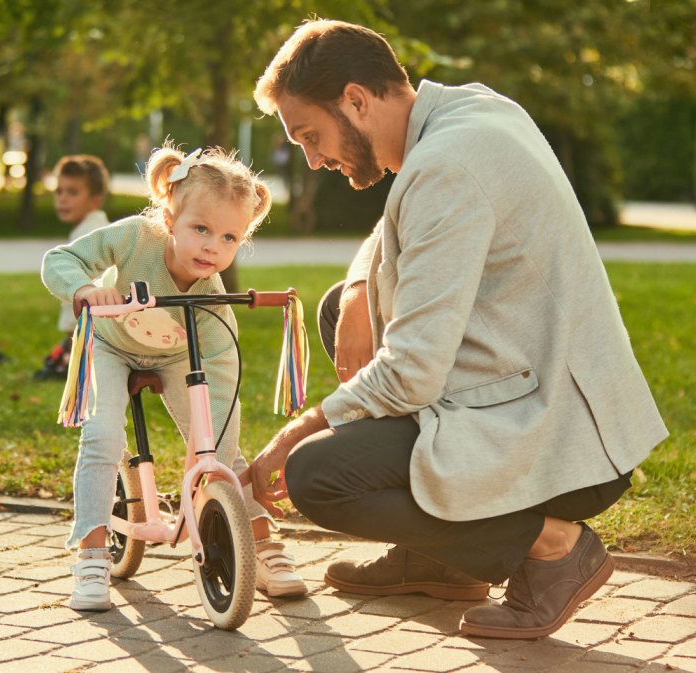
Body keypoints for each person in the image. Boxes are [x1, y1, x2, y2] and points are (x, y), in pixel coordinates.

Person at [242, 20, 668, 640]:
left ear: (356, 100)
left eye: (311, 135)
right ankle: (437, 558)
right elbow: (399, 228)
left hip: (559, 436)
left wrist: (299, 429)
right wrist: (361, 289)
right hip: (544, 385)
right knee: (340, 308)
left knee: (318, 475)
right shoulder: (470, 110)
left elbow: (411, 373)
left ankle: (552, 549)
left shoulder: (444, 170)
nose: (312, 159)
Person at [41, 143, 308, 611]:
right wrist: (85, 290)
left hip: (174, 353)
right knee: (102, 434)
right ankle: (91, 553)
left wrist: (214, 455)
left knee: (222, 451)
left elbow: (222, 365)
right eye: (200, 229)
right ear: (169, 220)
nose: (212, 246)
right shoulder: (133, 238)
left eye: (229, 238)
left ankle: (261, 546)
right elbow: (60, 260)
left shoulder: (211, 297)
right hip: (110, 343)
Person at [33, 155, 112, 381]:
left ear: (96, 199)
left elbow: (75, 291)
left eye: (73, 192)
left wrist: (71, 335)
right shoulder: (98, 229)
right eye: (59, 191)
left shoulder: (88, 235)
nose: (63, 199)